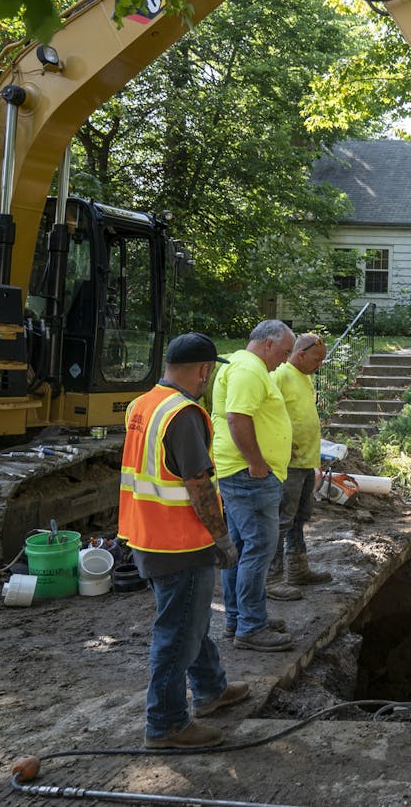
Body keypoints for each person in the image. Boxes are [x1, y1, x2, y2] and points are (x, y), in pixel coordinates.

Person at [118, 332, 247, 749]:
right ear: (204, 370)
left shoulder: (143, 404)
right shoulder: (184, 414)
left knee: (191, 621)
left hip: (146, 536)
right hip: (181, 544)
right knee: (176, 634)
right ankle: (167, 724)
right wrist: (222, 538)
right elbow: (198, 485)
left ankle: (210, 689)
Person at [211, 319, 295, 651]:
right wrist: (257, 462)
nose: (285, 360)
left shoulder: (245, 365)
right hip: (250, 477)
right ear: (269, 344)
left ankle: (241, 618)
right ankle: (251, 626)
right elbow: (238, 418)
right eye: (285, 352)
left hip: (242, 474)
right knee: (259, 548)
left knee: (241, 550)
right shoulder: (248, 369)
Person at [269, 333, 333, 590]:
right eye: (316, 359)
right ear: (301, 354)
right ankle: (273, 577)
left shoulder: (305, 378)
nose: (319, 365)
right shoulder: (280, 376)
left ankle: (297, 568)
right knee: (283, 518)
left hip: (306, 461)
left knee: (300, 516)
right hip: (289, 463)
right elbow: (269, 415)